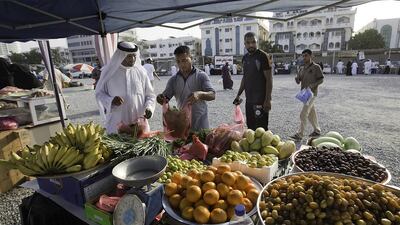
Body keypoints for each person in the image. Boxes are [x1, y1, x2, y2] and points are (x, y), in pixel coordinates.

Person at [95, 41, 155, 134]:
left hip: (138, 125)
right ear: (121, 55)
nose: (133, 59)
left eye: (134, 55)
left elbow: (150, 95)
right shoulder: (108, 72)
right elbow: (99, 93)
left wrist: (149, 107)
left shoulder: (141, 72)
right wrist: (111, 101)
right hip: (116, 124)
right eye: (129, 56)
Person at [156, 45, 215, 131]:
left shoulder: (201, 76)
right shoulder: (173, 80)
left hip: (201, 124)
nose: (181, 64)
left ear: (191, 58)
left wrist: (200, 94)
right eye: (178, 61)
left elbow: (212, 94)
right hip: (183, 125)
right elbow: (165, 98)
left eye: (184, 60)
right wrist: (160, 98)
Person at [233, 32, 272, 130]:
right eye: (248, 42)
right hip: (249, 100)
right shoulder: (245, 58)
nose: (251, 45)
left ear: (257, 42)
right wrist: (238, 95)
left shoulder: (263, 56)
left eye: (253, 42)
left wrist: (267, 100)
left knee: (261, 129)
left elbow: (269, 79)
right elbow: (245, 78)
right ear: (244, 44)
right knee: (250, 127)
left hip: (261, 101)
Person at [290, 49, 324, 140]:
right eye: (303, 56)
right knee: (311, 113)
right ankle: (317, 130)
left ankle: (300, 134)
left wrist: (313, 85)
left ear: (311, 56)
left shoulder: (316, 67)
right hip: (305, 93)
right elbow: (299, 80)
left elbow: (321, 79)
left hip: (312, 94)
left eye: (306, 55)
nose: (304, 57)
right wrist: (296, 79)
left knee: (303, 113)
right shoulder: (302, 68)